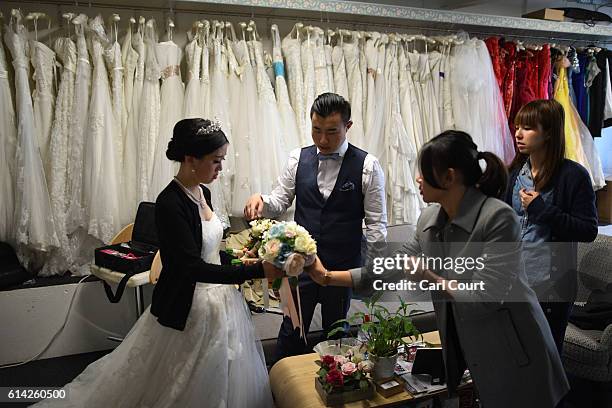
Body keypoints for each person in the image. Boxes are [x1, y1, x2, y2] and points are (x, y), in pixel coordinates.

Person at [307, 130, 570, 408]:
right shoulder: (430, 218)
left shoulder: (498, 218)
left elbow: (486, 297)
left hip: (517, 351)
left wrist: (431, 277)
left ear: (449, 177)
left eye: (424, 171)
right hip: (477, 348)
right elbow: (390, 267)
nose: (418, 178)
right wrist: (326, 277)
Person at [35, 118, 282, 407]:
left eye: (222, 160)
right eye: (216, 161)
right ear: (190, 158)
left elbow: (208, 249)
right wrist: (254, 270)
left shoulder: (205, 192)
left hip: (221, 299)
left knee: (221, 371)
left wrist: (236, 257)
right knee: (182, 378)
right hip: (190, 304)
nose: (221, 168)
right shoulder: (169, 203)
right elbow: (189, 267)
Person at [244, 92, 387, 360]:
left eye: (332, 132)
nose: (322, 140)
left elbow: (377, 227)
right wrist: (260, 199)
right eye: (316, 130)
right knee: (291, 332)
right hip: (299, 265)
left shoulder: (368, 166)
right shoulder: (297, 159)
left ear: (348, 127)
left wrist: (371, 273)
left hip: (342, 266)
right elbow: (279, 200)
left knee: (337, 336)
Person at [505, 99, 598, 355]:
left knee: (546, 358)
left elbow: (587, 230)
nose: (519, 134)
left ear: (548, 133)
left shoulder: (573, 176)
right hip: (512, 281)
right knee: (513, 355)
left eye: (528, 128)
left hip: (549, 286)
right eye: (517, 127)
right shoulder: (515, 172)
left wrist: (542, 210)